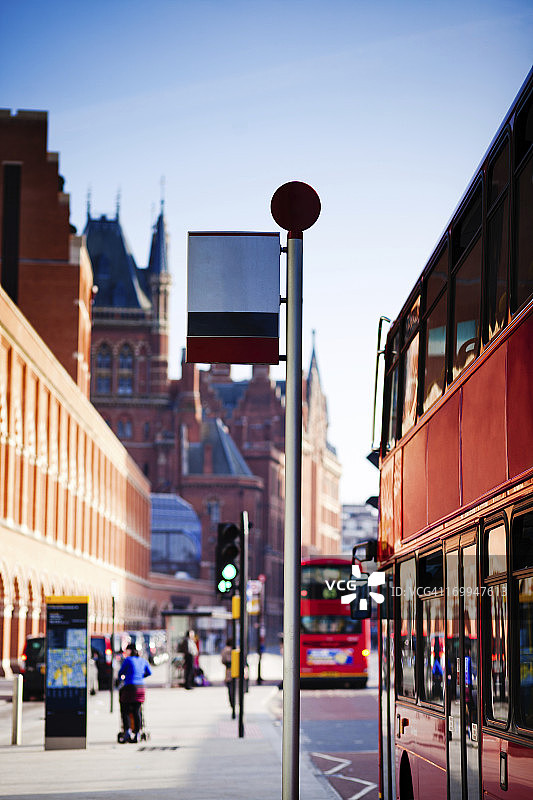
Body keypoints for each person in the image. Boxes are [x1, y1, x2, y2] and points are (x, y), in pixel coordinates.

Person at [118, 642, 152, 742]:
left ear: (129, 651)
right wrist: (141, 676)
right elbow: (149, 672)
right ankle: (137, 732)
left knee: (125, 709)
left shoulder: (128, 660)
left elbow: (120, 673)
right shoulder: (143, 660)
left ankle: (127, 731)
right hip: (141, 688)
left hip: (130, 686)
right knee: (137, 710)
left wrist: (125, 677)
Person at [221, 637, 235, 716]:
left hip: (229, 672)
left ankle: (232, 703)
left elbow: (223, 661)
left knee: (230, 688)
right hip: (236, 672)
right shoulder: (236, 649)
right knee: (235, 688)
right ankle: (236, 703)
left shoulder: (225, 650)